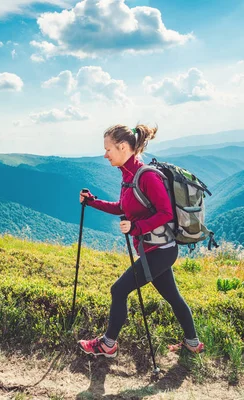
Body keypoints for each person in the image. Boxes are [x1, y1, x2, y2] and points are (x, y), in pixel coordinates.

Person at [77, 124, 204, 358]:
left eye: (108, 149)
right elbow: (122, 207)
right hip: (152, 250)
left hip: (160, 251)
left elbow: (165, 212)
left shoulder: (146, 176)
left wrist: (137, 227)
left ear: (123, 147)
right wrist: (92, 201)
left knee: (118, 290)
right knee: (173, 297)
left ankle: (108, 344)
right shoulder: (128, 175)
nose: (105, 155)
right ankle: (193, 343)